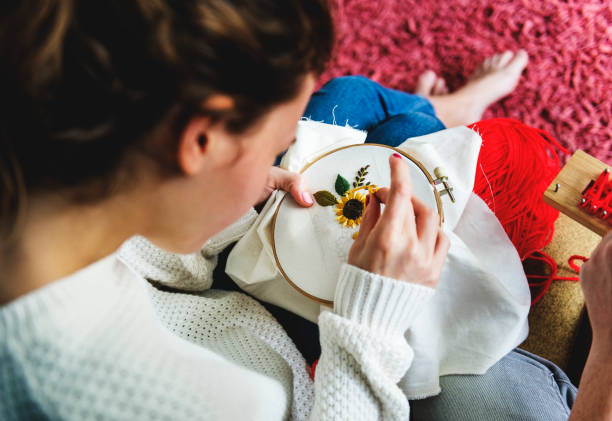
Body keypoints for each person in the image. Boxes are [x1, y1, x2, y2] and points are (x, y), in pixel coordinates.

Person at [0, 1, 608, 421]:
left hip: (224, 312)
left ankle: (437, 112)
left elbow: (138, 261)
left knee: (346, 104)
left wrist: (217, 198)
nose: (282, 154)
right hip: (314, 381)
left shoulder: (38, 169)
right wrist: (371, 316)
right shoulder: (160, 399)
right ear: (200, 143)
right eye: (274, 140)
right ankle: (433, 116)